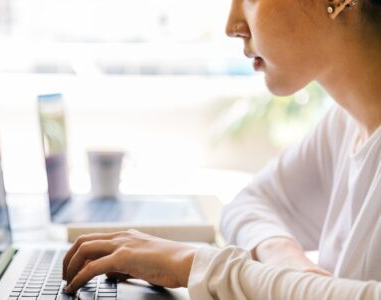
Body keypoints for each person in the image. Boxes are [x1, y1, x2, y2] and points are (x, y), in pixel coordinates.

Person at [62, 0, 381, 297]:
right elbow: (250, 203)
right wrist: (290, 267)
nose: (232, 25)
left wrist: (195, 266)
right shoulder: (344, 125)